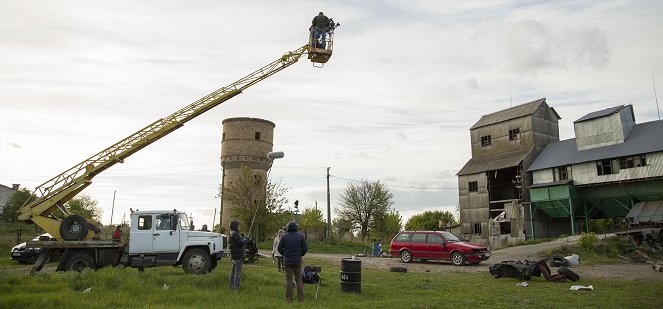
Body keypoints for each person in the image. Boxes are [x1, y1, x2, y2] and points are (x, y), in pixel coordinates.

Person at [277, 221, 308, 302]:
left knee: (289, 280)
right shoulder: (301, 236)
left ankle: (289, 299)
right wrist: (300, 254)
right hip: (297, 261)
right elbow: (305, 248)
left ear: (288, 228)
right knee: (299, 279)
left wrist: (285, 255)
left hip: (287, 261)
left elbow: (279, 249)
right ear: (296, 228)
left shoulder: (284, 237)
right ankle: (301, 299)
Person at [228, 220, 247, 290]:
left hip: (234, 256)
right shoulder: (235, 234)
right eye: (237, 226)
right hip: (238, 256)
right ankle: (236, 288)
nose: (238, 227)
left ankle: (231, 286)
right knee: (237, 272)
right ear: (235, 226)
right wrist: (247, 240)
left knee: (233, 271)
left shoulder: (230, 233)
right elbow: (241, 243)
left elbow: (238, 242)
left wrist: (244, 239)